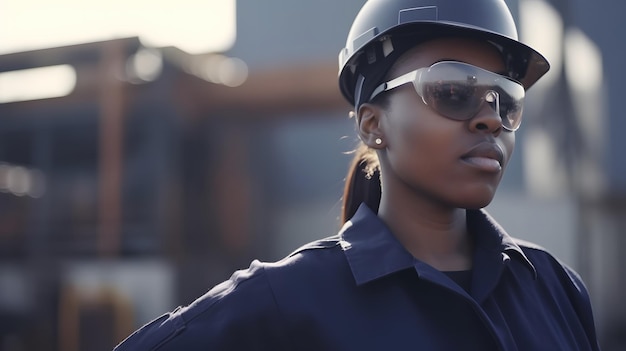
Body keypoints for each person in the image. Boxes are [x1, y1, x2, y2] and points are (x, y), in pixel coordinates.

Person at [114, 0, 601, 349]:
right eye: (455, 90)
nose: (490, 119)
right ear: (373, 124)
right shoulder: (286, 301)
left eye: (505, 101)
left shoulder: (555, 289)